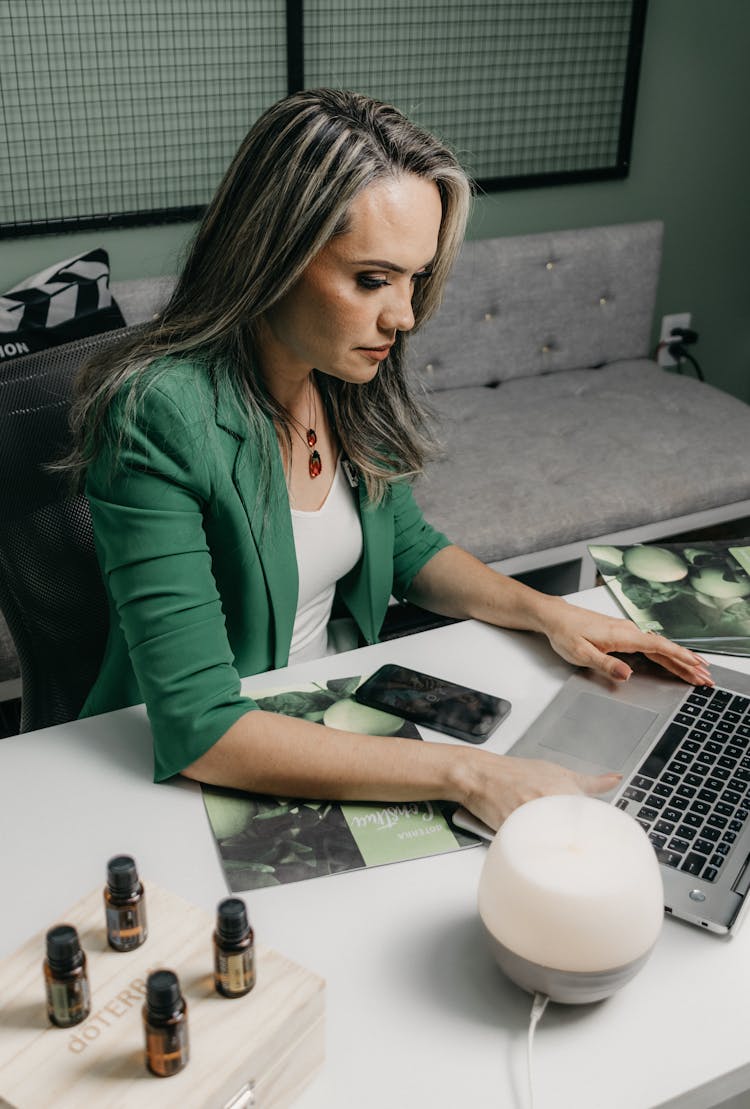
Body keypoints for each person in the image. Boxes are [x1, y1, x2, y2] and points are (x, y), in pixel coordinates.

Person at [68, 89, 711, 831]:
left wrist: (552, 614)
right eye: (373, 279)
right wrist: (467, 774)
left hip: (334, 709)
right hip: (218, 763)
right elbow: (204, 727)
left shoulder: (339, 374)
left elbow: (408, 547)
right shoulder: (159, 412)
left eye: (414, 278)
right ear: (270, 255)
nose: (403, 317)